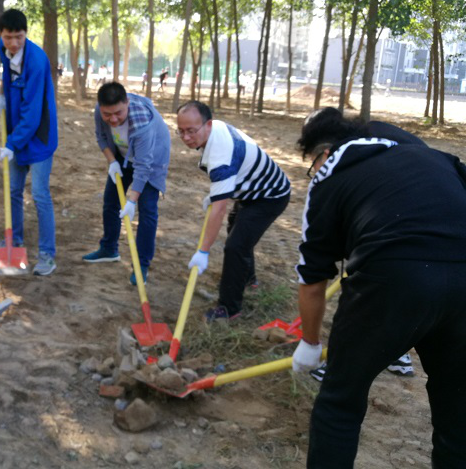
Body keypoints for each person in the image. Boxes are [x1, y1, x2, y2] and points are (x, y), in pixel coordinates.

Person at [291, 109, 466, 469]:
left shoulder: (329, 175)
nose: (315, 171)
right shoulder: (433, 156)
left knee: (340, 401)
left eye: (312, 164)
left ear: (323, 152)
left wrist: (310, 344)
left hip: (393, 279)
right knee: (457, 406)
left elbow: (312, 277)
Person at [175, 101, 291, 321]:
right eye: (181, 131)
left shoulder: (221, 157)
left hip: (269, 196)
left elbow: (218, 209)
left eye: (191, 131)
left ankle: (229, 309)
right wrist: (216, 194)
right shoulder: (214, 131)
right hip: (251, 188)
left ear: (208, 124)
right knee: (236, 228)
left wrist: (203, 251)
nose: (186, 137)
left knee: (235, 246)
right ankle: (247, 278)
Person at [0, 9, 58, 276]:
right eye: (8, 37)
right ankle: (13, 241)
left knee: (40, 194)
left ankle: (47, 255)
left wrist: (12, 144)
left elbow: (32, 113)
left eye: (19, 37)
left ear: (26, 34)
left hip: (38, 136)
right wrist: (1, 94)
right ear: (1, 35)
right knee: (13, 191)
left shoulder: (37, 61)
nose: (13, 43)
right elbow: (4, 73)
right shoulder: (2, 48)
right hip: (15, 131)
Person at [82, 82, 170, 285]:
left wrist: (131, 200)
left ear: (127, 103)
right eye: (107, 114)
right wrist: (112, 161)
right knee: (110, 202)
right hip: (122, 157)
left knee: (147, 210)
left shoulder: (142, 121)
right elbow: (101, 137)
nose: (113, 119)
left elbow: (144, 166)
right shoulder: (100, 111)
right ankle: (109, 249)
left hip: (152, 161)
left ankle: (141, 265)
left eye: (118, 113)